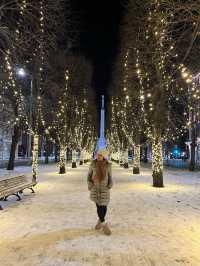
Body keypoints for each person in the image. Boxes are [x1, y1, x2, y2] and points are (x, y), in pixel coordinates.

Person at [87, 149, 113, 235]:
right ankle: (104, 223)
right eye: (98, 155)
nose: (99, 157)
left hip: (105, 189)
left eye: (100, 155)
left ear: (104, 156)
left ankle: (100, 221)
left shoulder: (108, 165)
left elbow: (110, 177)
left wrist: (110, 185)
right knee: (98, 206)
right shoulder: (93, 164)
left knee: (104, 206)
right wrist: (90, 185)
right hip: (95, 189)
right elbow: (89, 176)